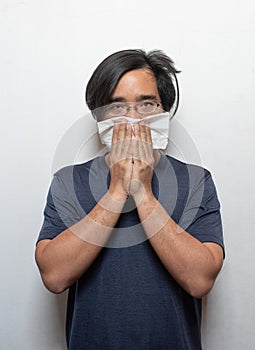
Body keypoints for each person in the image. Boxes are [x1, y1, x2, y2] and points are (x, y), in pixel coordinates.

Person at [35, 49, 225, 350]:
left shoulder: (196, 181)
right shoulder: (68, 182)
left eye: (147, 104)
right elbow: (55, 276)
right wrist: (118, 189)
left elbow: (200, 280)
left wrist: (142, 192)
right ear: (99, 116)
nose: (133, 120)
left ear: (165, 111)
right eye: (117, 107)